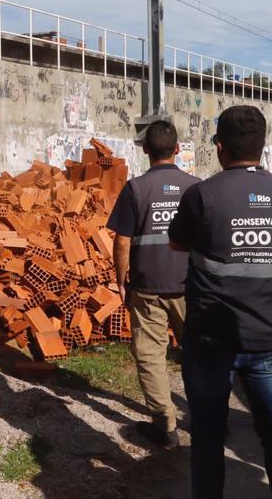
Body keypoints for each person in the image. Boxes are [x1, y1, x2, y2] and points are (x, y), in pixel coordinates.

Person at [168, 105, 272, 499]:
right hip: (269, 339)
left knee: (208, 435)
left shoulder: (202, 195)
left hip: (211, 339)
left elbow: (177, 241)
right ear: (262, 146)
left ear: (220, 147)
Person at [107, 119, 200, 447]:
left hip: (147, 286)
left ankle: (165, 425)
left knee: (150, 356)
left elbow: (121, 242)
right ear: (177, 149)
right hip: (190, 286)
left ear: (145, 150)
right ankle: (207, 419)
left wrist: (120, 281)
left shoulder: (135, 188)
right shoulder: (196, 188)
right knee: (200, 353)